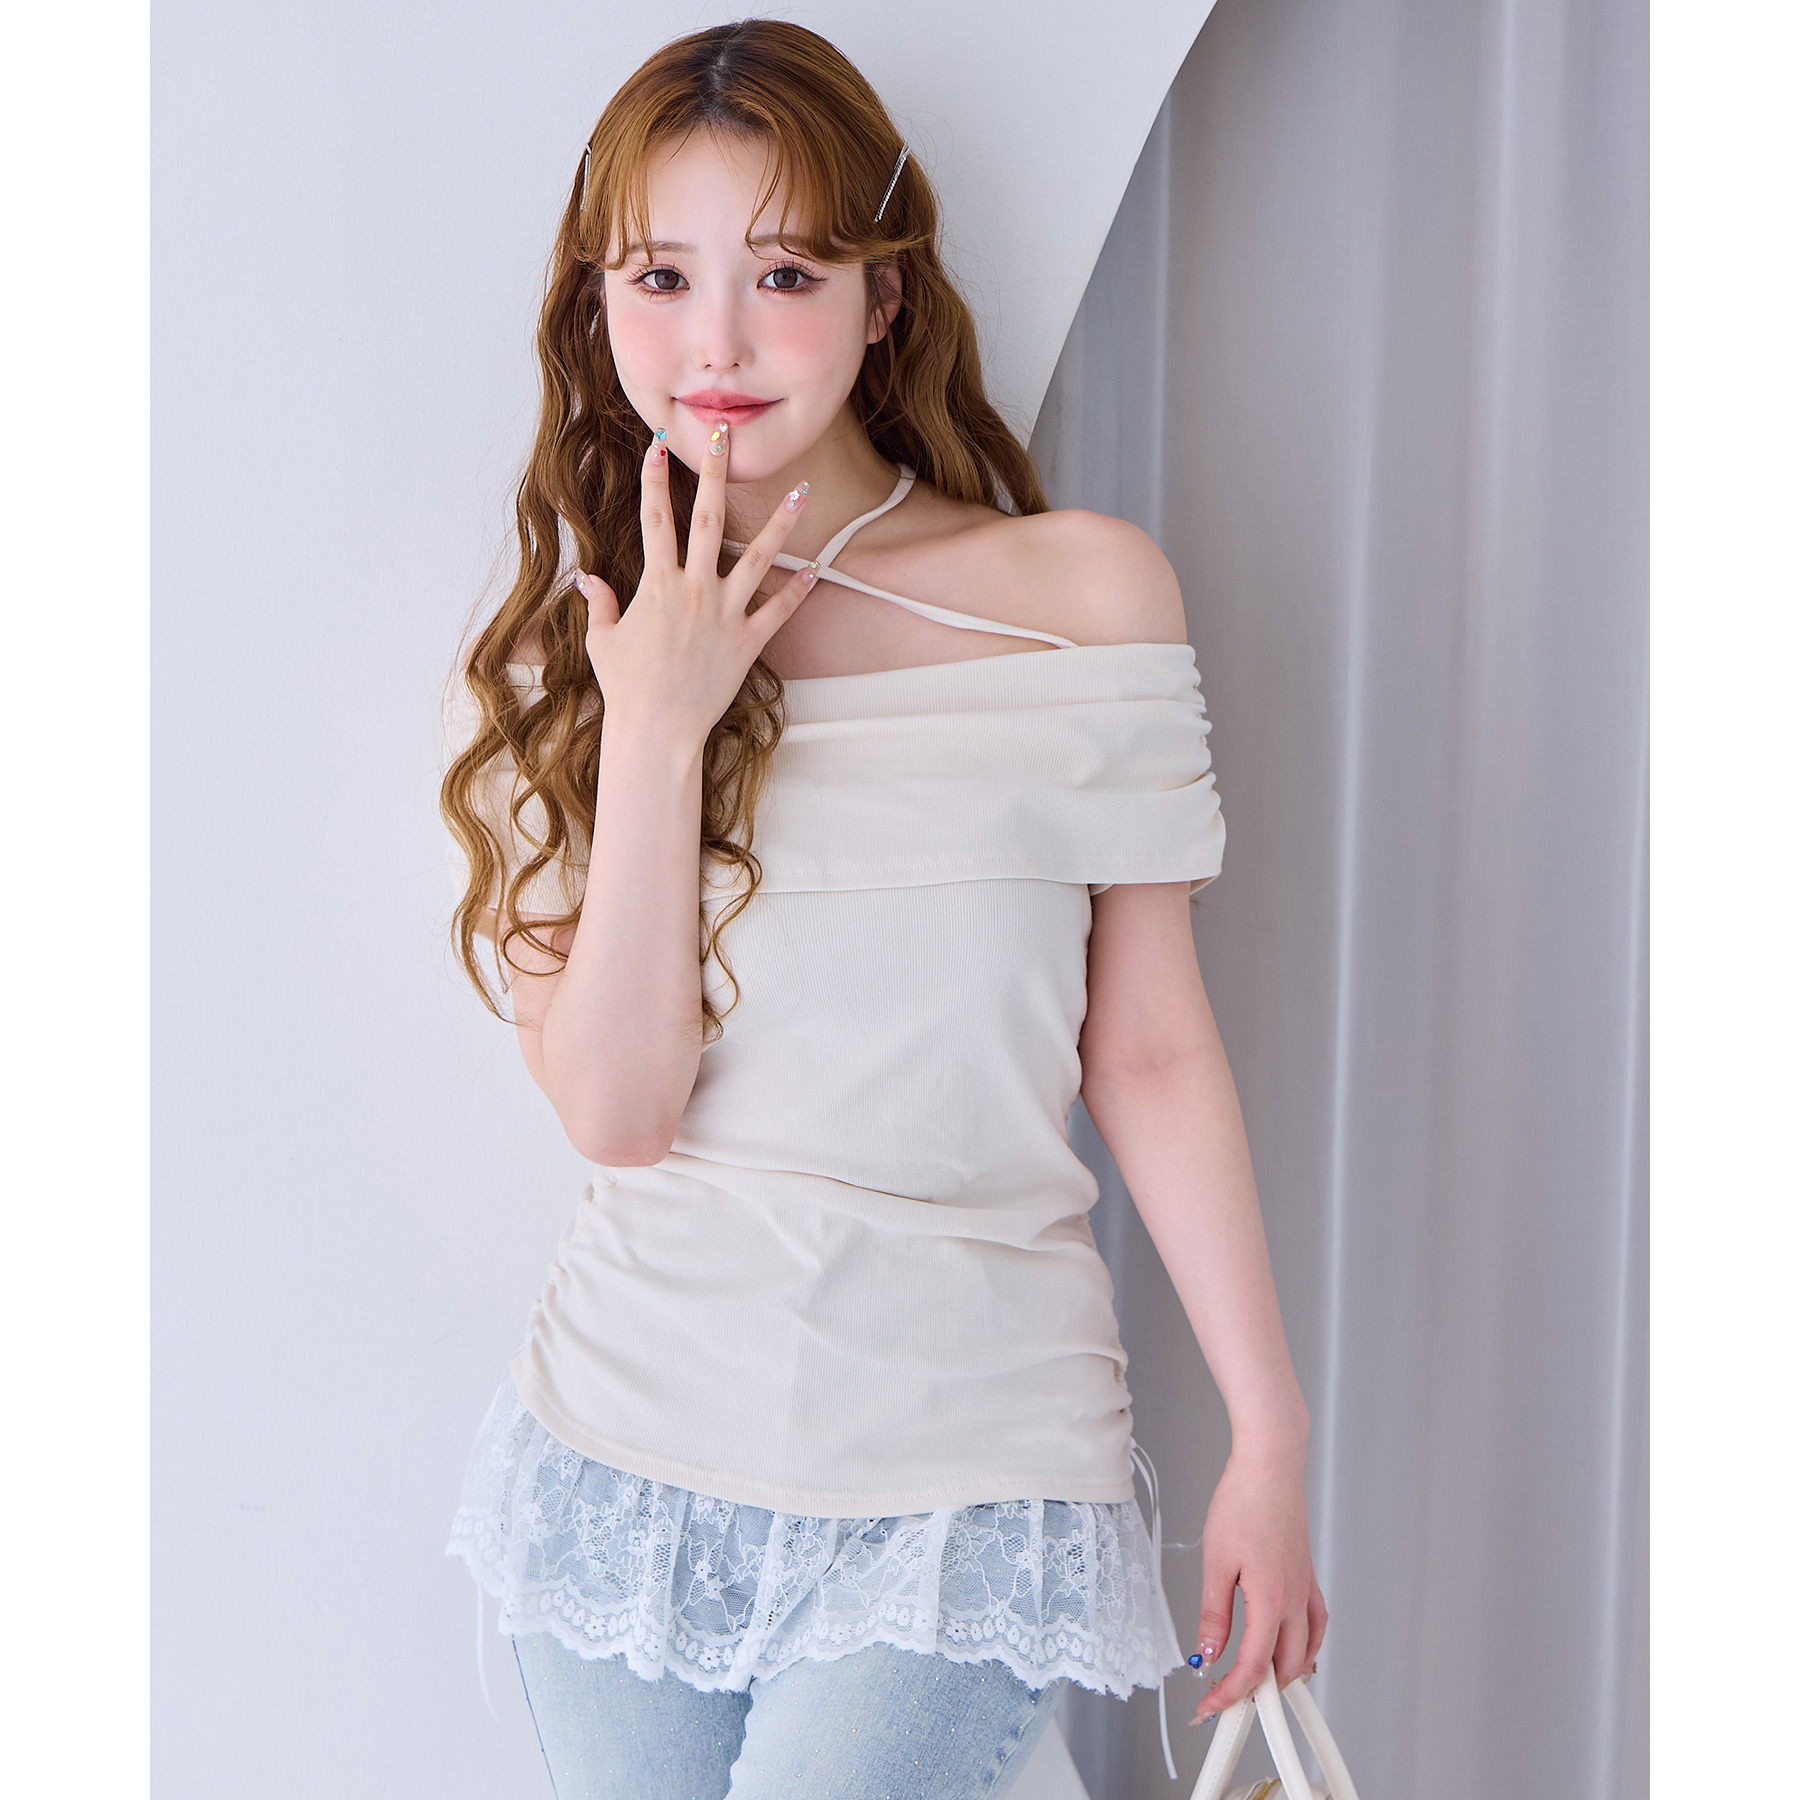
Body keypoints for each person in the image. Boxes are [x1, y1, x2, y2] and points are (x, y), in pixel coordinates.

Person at [440, 19, 1325, 1799]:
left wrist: (1269, 1430)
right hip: (627, 1459)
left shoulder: (1080, 598)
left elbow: (1147, 1049)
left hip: (969, 1475)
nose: (716, 343)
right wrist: (661, 724)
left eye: (784, 274)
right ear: (596, 306)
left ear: (882, 297)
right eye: (660, 278)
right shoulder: (571, 658)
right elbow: (619, 1111)